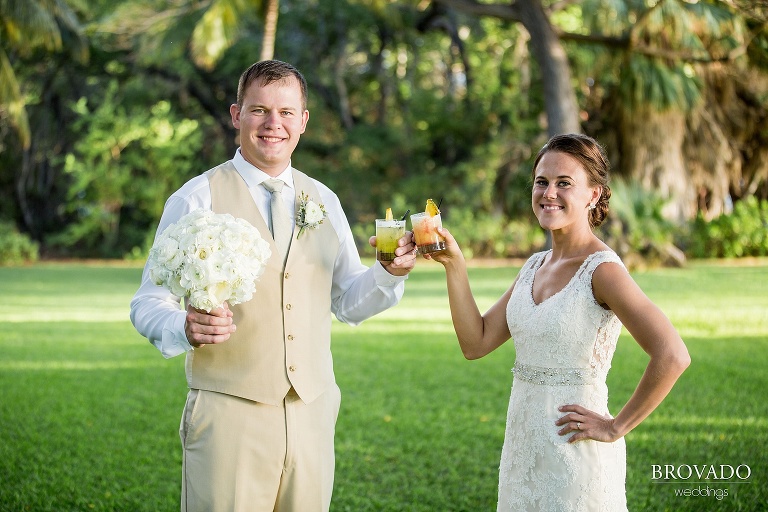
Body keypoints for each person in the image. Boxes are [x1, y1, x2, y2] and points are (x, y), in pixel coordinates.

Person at [130, 60, 417, 512]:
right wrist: (182, 326)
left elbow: (347, 301)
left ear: (303, 121)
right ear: (235, 115)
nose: (273, 124)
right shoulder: (196, 197)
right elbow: (148, 301)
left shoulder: (325, 200)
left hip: (313, 412)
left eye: (286, 112)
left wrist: (389, 273)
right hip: (229, 414)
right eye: (259, 110)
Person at [427, 133, 690, 511]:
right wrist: (454, 265)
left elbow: (673, 354)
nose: (549, 192)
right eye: (542, 181)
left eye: (564, 183)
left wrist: (615, 427)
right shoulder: (534, 266)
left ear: (593, 195)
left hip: (576, 455)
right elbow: (476, 342)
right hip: (522, 450)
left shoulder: (603, 271)